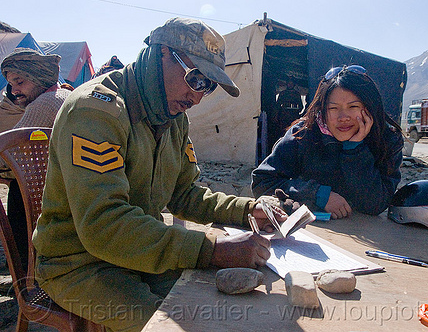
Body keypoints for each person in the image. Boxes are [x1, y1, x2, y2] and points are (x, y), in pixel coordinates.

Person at [32, 17, 286, 331]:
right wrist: (211, 249)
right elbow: (104, 226)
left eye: (208, 87)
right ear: (162, 53)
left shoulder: (173, 116)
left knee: (225, 311)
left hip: (139, 253)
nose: (197, 97)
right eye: (196, 79)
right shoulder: (95, 111)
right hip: (78, 265)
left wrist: (248, 209)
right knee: (169, 326)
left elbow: (185, 194)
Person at [252, 65, 404, 219]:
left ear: (369, 107)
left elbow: (376, 205)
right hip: (312, 232)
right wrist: (317, 194)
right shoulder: (303, 134)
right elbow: (262, 182)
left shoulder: (387, 139)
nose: (343, 117)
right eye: (333, 108)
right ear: (322, 109)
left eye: (353, 106)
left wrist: (354, 150)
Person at [0, 48, 71, 269]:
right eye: (11, 84)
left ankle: (26, 274)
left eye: (19, 82)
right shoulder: (65, 95)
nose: (14, 90)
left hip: (50, 198)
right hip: (67, 193)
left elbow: (7, 154)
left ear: (37, 77)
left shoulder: (44, 103)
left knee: (16, 190)